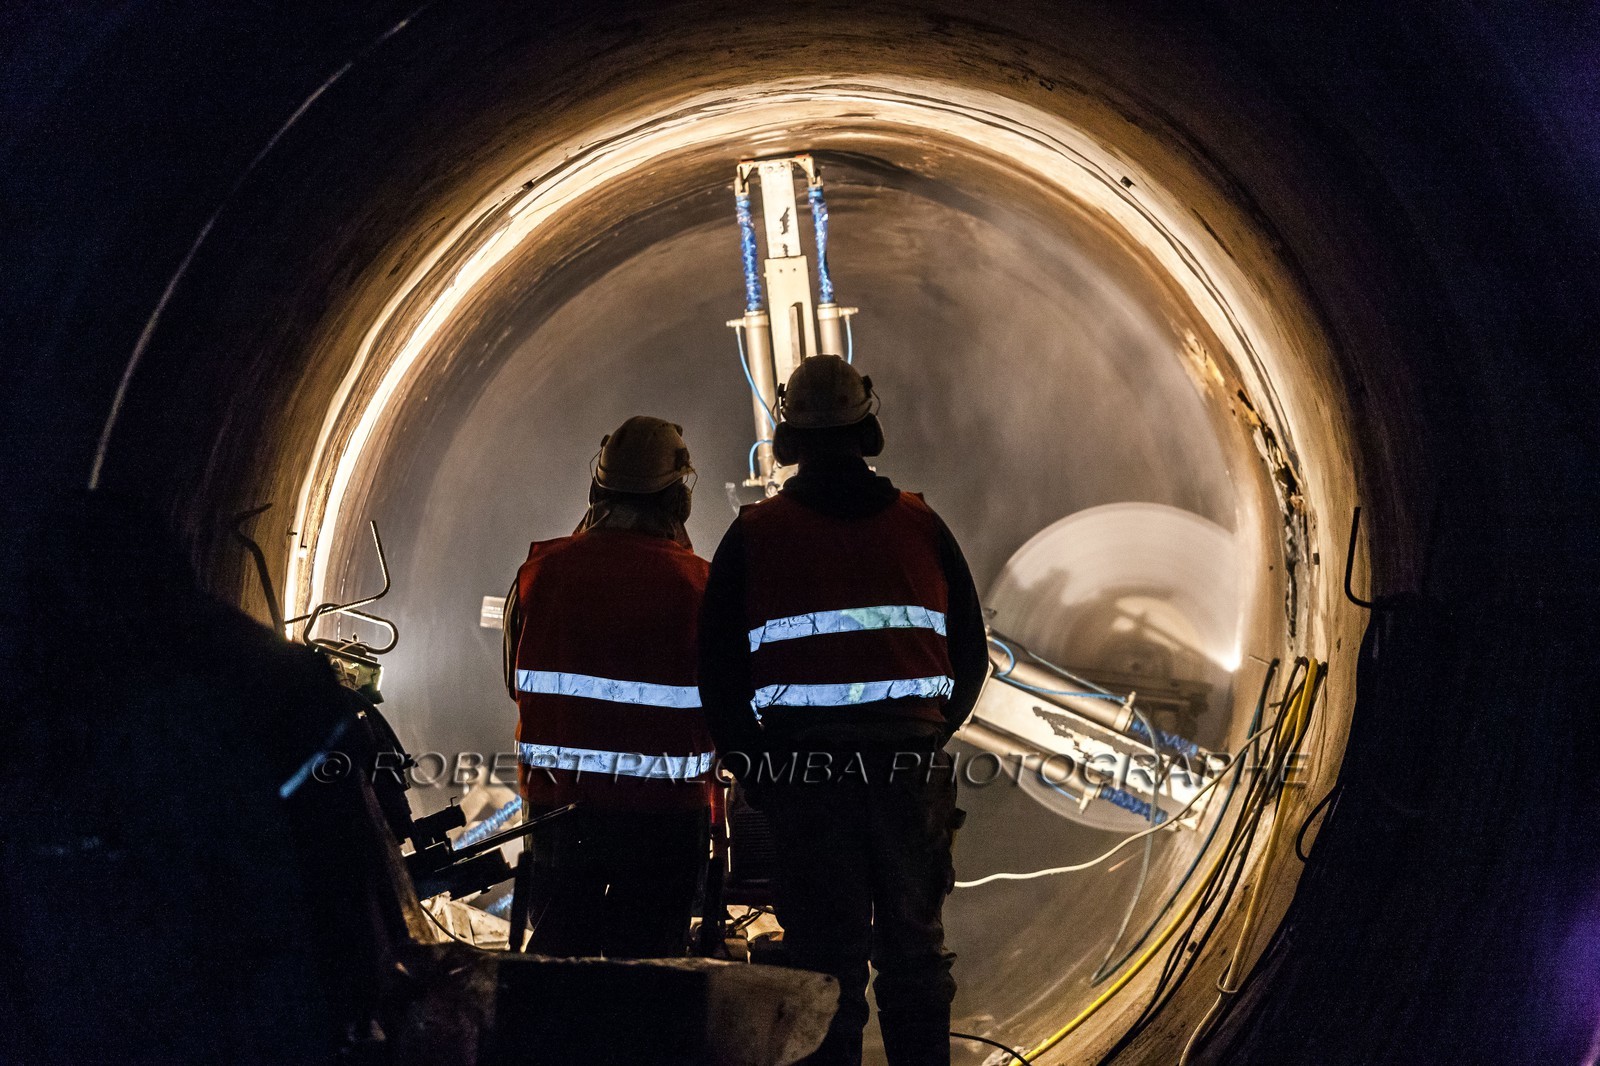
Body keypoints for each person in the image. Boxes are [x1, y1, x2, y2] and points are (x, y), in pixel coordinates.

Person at [698, 357, 989, 1066]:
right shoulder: (922, 525)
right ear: (868, 425)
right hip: (905, 769)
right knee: (915, 956)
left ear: (788, 433)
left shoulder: (755, 536)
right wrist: (926, 736)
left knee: (825, 970)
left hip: (807, 776)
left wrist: (759, 769)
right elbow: (971, 655)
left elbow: (719, 673)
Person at [503, 415, 713, 958]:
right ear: (679, 499)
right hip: (667, 813)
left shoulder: (540, 572)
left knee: (556, 958)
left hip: (560, 803)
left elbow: (514, 680)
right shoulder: (701, 585)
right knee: (651, 972)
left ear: (598, 484)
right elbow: (730, 700)